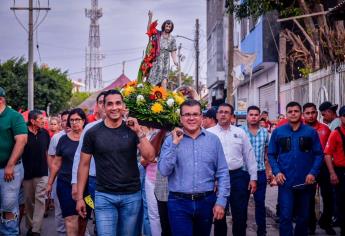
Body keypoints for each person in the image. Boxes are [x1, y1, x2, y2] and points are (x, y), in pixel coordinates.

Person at [76, 89, 156, 236]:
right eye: (110, 104)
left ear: (123, 106)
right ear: (103, 107)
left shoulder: (132, 129)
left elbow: (150, 156)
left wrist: (138, 131)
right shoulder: (92, 133)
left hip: (132, 196)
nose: (114, 107)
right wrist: (80, 197)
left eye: (118, 103)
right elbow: (83, 165)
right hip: (104, 196)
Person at [159, 99, 230, 236]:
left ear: (201, 117)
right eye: (187, 114)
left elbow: (222, 173)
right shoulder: (170, 140)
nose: (191, 118)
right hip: (178, 203)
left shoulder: (213, 140)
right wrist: (175, 144)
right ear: (181, 118)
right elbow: (164, 170)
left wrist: (221, 201)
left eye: (195, 114)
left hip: (206, 202)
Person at [268, 101, 324, 236]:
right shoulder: (278, 132)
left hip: (306, 182)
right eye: (290, 111)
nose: (293, 113)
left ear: (301, 114)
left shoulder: (310, 132)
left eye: (296, 111)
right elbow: (271, 154)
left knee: (303, 217)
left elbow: (318, 154)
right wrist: (277, 172)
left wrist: (313, 173)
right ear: (286, 114)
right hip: (285, 182)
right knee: (285, 216)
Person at [208, 103, 257, 236]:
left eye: (227, 112)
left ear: (232, 116)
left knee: (240, 214)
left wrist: (253, 178)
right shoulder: (209, 134)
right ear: (217, 115)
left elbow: (249, 155)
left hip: (237, 177)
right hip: (216, 179)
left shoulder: (240, 132)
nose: (223, 114)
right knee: (219, 214)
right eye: (221, 112)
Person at [46, 108, 88, 236]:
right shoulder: (63, 140)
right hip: (65, 184)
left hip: (87, 184)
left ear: (83, 121)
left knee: (83, 218)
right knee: (70, 218)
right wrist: (49, 183)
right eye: (72, 120)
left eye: (77, 120)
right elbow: (56, 163)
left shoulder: (89, 138)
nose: (74, 123)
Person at [71, 90, 107, 236]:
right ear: (98, 106)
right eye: (101, 102)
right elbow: (78, 158)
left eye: (108, 102)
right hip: (92, 182)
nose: (105, 105)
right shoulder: (90, 128)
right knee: (94, 216)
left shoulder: (125, 125)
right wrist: (75, 183)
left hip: (117, 182)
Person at [303, 102, 335, 235]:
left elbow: (330, 150)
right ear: (303, 114)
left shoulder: (325, 129)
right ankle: (311, 225)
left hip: (323, 168)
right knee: (309, 197)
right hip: (307, 168)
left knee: (328, 196)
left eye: (313, 112)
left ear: (317, 113)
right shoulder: (300, 129)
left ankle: (326, 223)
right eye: (307, 113)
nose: (311, 115)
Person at [241, 105, 272, 236]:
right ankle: (241, 230)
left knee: (260, 204)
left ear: (260, 117)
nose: (253, 117)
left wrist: (269, 172)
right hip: (243, 173)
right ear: (247, 116)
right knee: (242, 205)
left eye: (256, 115)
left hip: (260, 172)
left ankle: (262, 232)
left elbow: (267, 154)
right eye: (251, 114)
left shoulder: (265, 133)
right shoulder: (240, 131)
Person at [0, 87, 27, 235]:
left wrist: (10, 165)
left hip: (9, 170)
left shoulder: (14, 116)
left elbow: (22, 140)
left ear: (1, 100)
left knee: (8, 207)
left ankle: (10, 233)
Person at [22, 110, 50, 236]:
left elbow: (48, 153)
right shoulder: (24, 133)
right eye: (40, 119)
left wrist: (51, 173)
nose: (43, 121)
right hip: (26, 174)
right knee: (29, 201)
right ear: (32, 121)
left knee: (40, 200)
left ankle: (35, 230)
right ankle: (30, 225)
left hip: (42, 172)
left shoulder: (45, 133)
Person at [324, 105, 345, 236]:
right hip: (341, 172)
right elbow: (327, 154)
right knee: (342, 202)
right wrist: (332, 173)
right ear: (341, 117)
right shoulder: (336, 132)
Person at [48, 110, 70, 236]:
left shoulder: (83, 135)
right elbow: (51, 157)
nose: (66, 122)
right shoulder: (56, 138)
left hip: (80, 180)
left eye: (69, 119)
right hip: (59, 179)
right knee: (60, 210)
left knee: (83, 210)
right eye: (64, 120)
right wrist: (52, 178)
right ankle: (62, 233)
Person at [147, 11, 178, 87]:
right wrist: (150, 17)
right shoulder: (158, 34)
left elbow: (173, 51)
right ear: (164, 26)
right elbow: (149, 30)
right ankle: (152, 92)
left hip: (166, 60)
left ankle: (163, 96)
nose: (168, 28)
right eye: (166, 26)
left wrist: (175, 60)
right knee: (154, 77)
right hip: (157, 58)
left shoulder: (172, 39)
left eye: (169, 27)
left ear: (171, 28)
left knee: (164, 78)